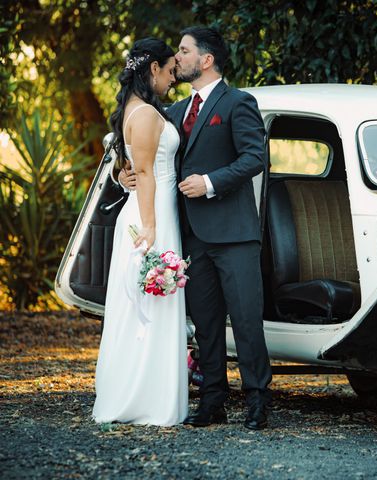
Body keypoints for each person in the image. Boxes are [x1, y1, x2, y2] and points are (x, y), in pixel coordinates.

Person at [170, 26, 272, 430]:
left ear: (206, 60)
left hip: (235, 235)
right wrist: (130, 175)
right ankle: (212, 401)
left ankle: (258, 401)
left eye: (183, 51)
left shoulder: (238, 103)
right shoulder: (175, 112)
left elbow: (254, 158)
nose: (177, 58)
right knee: (206, 323)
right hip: (192, 235)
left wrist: (209, 183)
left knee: (246, 321)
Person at [92, 37, 188, 426]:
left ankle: (137, 393)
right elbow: (145, 172)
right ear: (152, 70)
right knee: (151, 304)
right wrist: (151, 228)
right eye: (168, 71)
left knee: (141, 309)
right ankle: (147, 400)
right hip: (150, 216)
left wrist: (120, 171)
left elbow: (129, 163)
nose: (171, 80)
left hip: (146, 211)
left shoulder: (136, 110)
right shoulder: (146, 114)